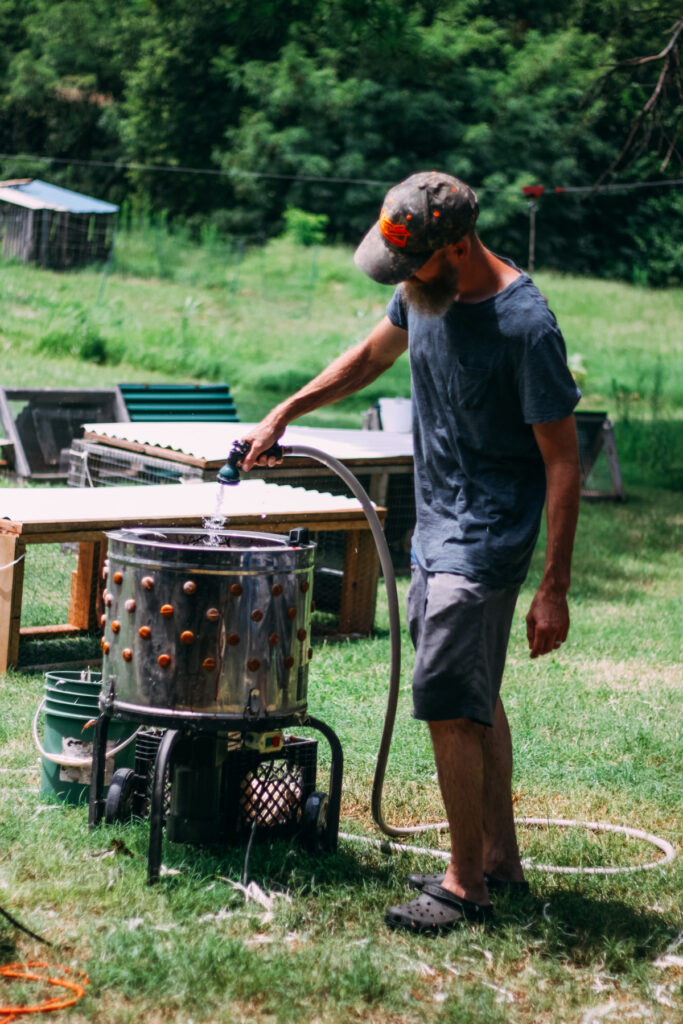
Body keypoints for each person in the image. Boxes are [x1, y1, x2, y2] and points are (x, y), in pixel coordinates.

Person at [240, 170, 581, 934]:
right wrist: (284, 413)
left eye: (412, 263)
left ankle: (464, 889)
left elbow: (563, 459)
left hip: (484, 536)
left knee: (444, 703)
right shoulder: (423, 291)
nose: (399, 282)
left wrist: (552, 586)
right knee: (472, 695)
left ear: (457, 245)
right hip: (434, 526)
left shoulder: (522, 326)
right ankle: (498, 860)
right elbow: (368, 358)